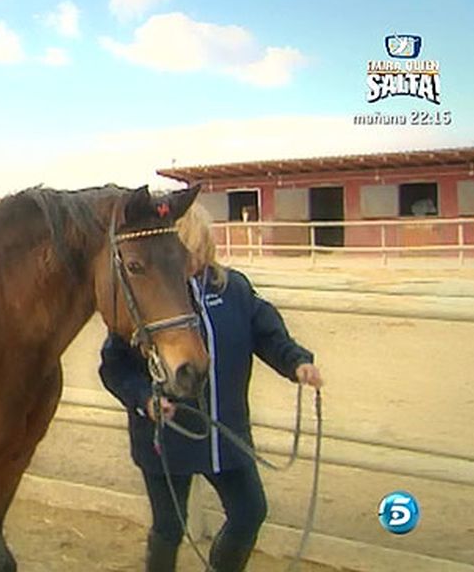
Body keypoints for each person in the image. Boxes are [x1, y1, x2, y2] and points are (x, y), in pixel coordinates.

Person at [98, 203, 323, 571]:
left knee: (250, 511)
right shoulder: (150, 299)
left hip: (226, 433)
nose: (196, 255)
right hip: (168, 437)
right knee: (170, 527)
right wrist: (144, 400)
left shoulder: (232, 287)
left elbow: (267, 333)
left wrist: (297, 362)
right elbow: (114, 365)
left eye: (201, 245)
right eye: (188, 247)